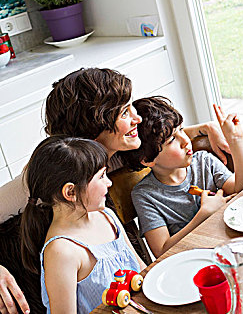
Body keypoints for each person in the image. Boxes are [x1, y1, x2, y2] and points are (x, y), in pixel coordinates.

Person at [0, 67, 230, 313]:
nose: (137, 118)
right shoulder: (43, 178)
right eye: (123, 112)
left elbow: (158, 139)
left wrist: (202, 129)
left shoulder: (114, 153)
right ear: (92, 129)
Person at [20, 136, 146, 313]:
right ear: (70, 191)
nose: (109, 182)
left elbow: (140, 270)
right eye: (101, 176)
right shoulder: (62, 251)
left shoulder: (106, 216)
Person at [120, 96, 243, 258]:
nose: (186, 141)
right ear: (148, 160)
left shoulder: (204, 162)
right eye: (171, 140)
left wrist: (236, 141)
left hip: (229, 248)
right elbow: (161, 251)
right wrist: (204, 214)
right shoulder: (145, 195)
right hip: (190, 262)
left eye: (182, 130)